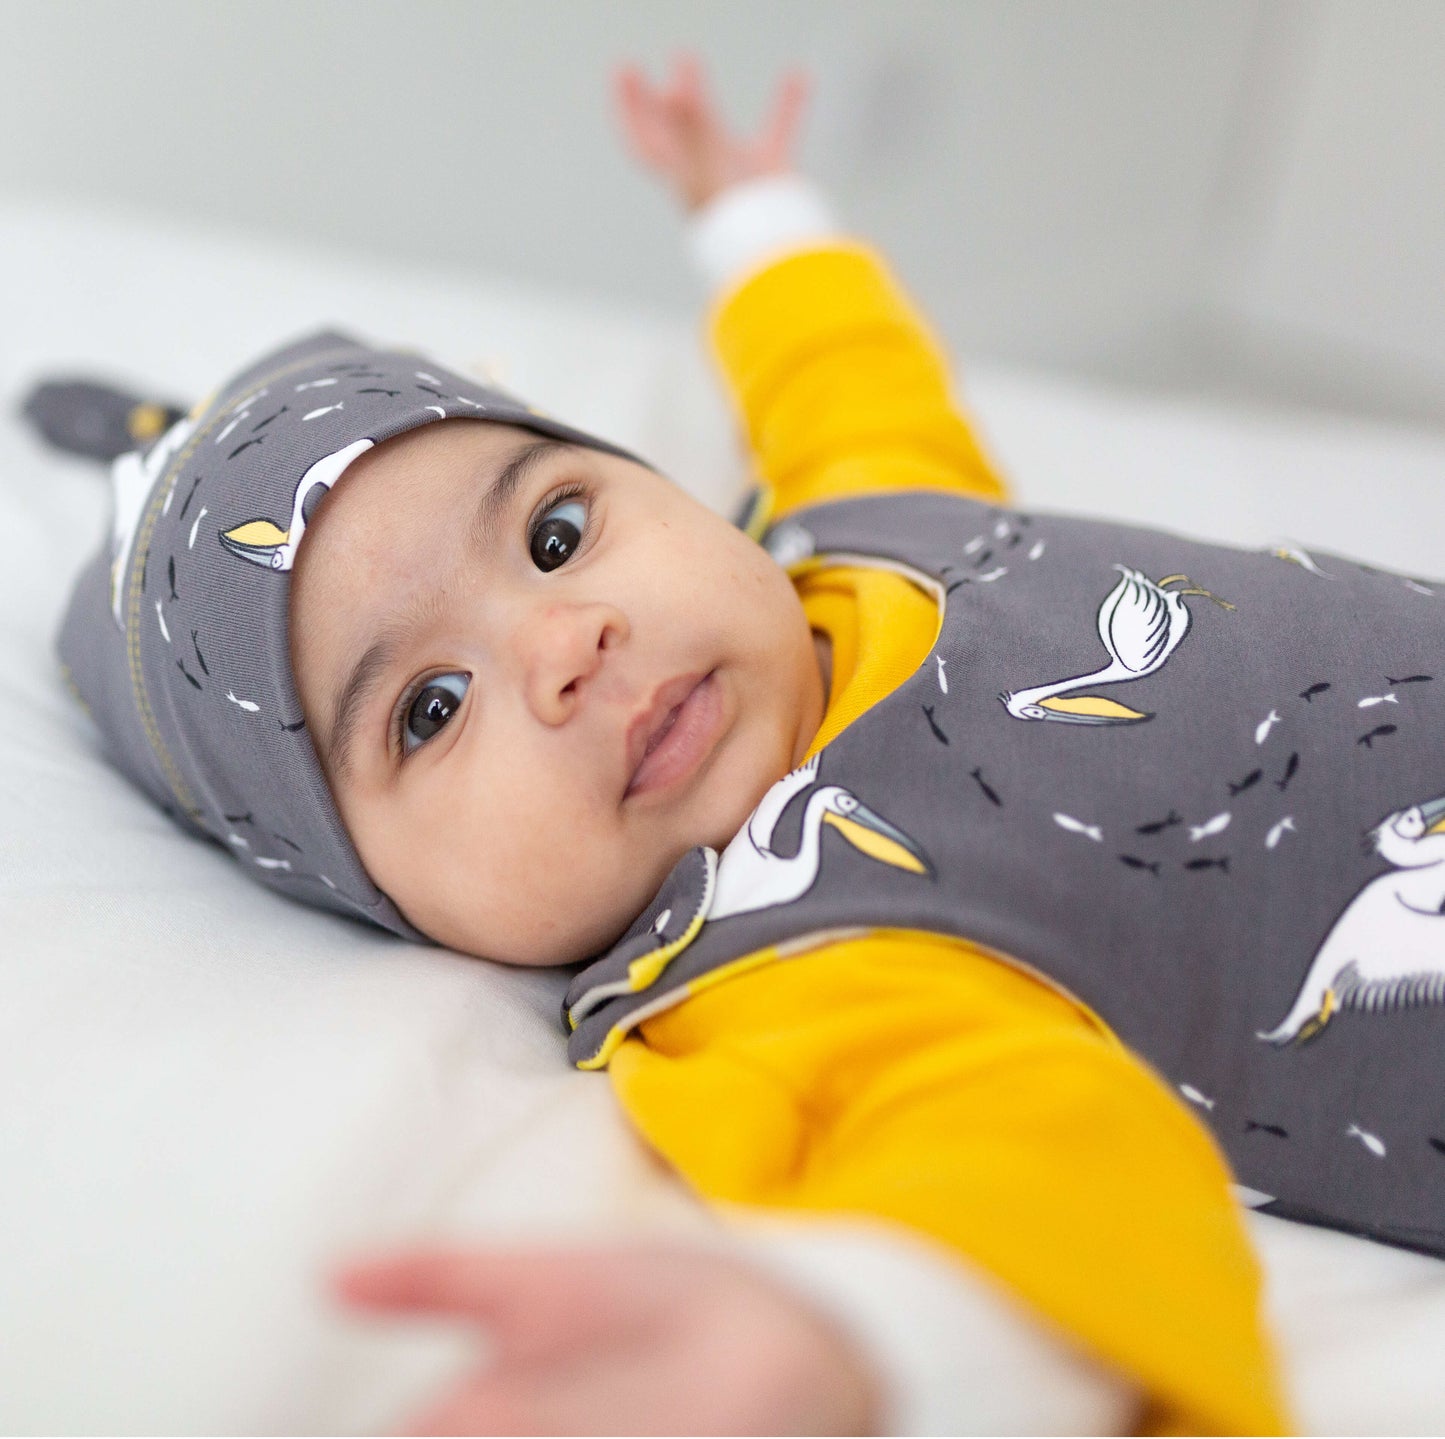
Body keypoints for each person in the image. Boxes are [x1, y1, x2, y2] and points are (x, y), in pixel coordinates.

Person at [45, 51, 1445, 1436]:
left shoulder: (872, 532)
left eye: (554, 533)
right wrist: (858, 1347)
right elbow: (1023, 1158)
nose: (563, 644)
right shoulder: (796, 964)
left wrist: (753, 214)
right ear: (379, 900)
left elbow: (839, 375)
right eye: (428, 708)